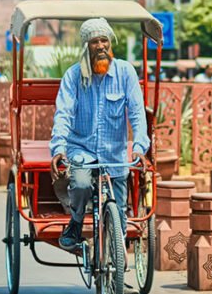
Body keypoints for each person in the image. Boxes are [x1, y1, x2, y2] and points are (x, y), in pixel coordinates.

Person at [50, 18, 149, 257]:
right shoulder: (73, 76)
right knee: (82, 184)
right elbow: (63, 113)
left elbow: (137, 113)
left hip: (114, 153)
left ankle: (117, 270)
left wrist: (139, 147)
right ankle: (75, 224)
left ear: (110, 43)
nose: (101, 46)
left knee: (120, 211)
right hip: (81, 149)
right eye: (95, 42)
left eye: (105, 40)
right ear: (87, 46)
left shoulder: (125, 72)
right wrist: (59, 149)